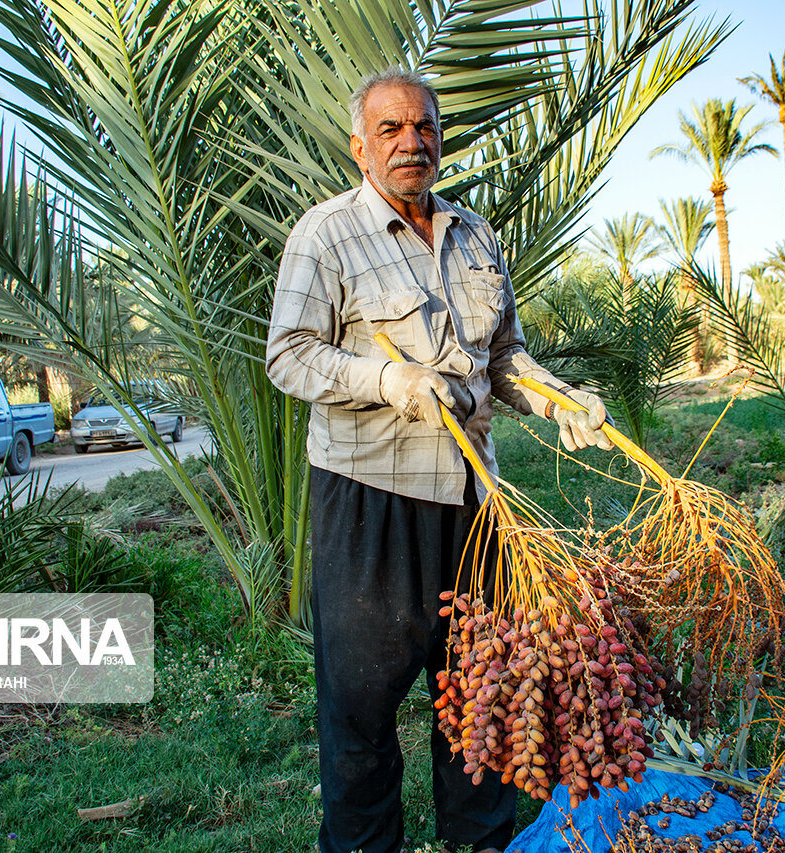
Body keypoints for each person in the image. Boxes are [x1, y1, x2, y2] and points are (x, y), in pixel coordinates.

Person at [265, 67, 614, 853]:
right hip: (370, 502)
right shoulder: (325, 235)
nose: (410, 142)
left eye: (422, 127)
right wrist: (387, 378)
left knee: (480, 697)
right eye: (389, 130)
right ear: (360, 146)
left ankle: (481, 843)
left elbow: (506, 360)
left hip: (475, 502)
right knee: (361, 708)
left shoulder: (474, 234)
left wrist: (561, 400)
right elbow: (287, 356)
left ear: (440, 138)